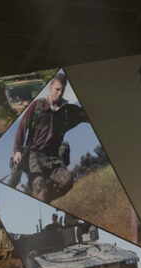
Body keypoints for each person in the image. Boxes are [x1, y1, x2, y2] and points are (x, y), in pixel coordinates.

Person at [11, 72, 89, 202]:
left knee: (67, 182)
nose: (59, 93)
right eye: (57, 89)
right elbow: (22, 127)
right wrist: (17, 150)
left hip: (53, 158)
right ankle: (41, 198)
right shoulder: (38, 106)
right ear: (51, 88)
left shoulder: (67, 111)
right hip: (35, 156)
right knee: (39, 188)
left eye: (62, 90)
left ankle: (46, 199)